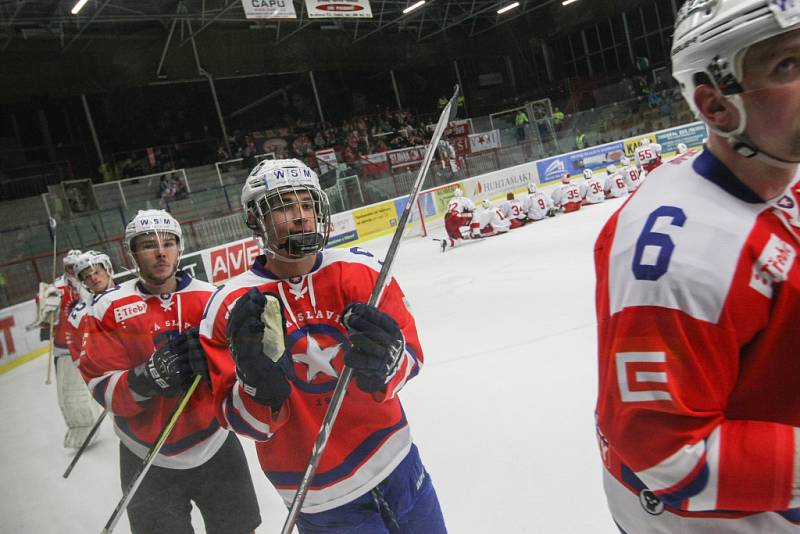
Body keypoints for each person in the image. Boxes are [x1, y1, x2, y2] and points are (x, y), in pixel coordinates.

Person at [595, 1, 800, 531]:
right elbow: (666, 456)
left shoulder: (776, 169)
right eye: (788, 64)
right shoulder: (683, 260)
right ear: (715, 106)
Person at [199, 159, 447, 533]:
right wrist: (255, 390)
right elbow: (233, 417)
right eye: (284, 206)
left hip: (396, 459)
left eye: (308, 204)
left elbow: (411, 356)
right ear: (255, 219)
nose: (301, 217)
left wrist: (388, 363)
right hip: (318, 494)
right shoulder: (229, 305)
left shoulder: (360, 270)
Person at [79, 209, 261, 534]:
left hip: (215, 443)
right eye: (148, 244)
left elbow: (238, 373)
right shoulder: (108, 308)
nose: (160, 252)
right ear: (131, 253)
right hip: (146, 455)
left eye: (169, 243)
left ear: (180, 248)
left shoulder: (211, 298)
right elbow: (100, 383)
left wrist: (219, 365)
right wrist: (145, 379)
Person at [36, 249, 94, 448]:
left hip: (94, 345)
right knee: (71, 394)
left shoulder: (91, 281)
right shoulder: (55, 288)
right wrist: (46, 313)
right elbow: (45, 319)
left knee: (108, 384)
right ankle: (82, 429)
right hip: (66, 349)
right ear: (64, 266)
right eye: (70, 266)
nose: (74, 269)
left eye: (77, 265)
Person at [62, 251, 112, 447]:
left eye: (97, 272)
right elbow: (79, 355)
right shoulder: (80, 313)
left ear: (108, 270)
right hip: (117, 382)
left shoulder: (135, 291)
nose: (93, 278)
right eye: (87, 276)